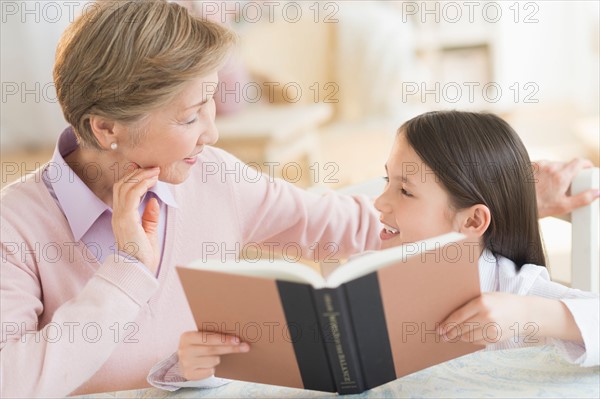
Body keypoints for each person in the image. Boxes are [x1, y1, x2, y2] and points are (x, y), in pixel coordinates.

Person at [0, 1, 597, 396]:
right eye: (190, 116)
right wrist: (128, 269)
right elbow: (13, 379)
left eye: (212, 102)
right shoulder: (18, 224)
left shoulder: (213, 175)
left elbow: (348, 220)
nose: (211, 133)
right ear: (107, 130)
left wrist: (507, 194)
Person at [372, 110, 598, 364]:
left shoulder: (514, 290)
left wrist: (524, 313)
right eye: (386, 180)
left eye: (404, 190)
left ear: (472, 221)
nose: (379, 202)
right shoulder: (371, 277)